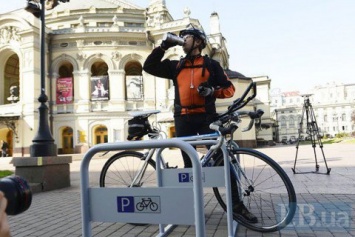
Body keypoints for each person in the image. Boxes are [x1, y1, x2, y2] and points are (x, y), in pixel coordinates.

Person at [143, 26, 257, 223]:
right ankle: (193, 207)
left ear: (198, 42)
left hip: (206, 118)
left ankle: (237, 206)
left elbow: (229, 89)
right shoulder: (176, 66)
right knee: (189, 167)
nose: (183, 40)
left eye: (186, 37)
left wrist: (212, 91)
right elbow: (149, 66)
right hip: (183, 120)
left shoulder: (212, 65)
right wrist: (163, 46)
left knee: (223, 161)